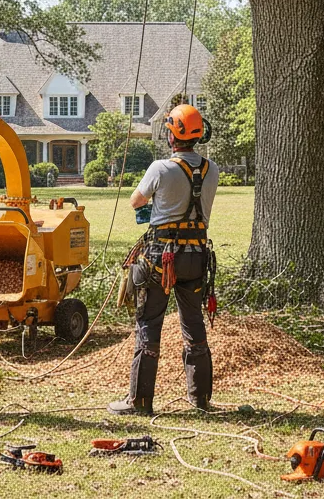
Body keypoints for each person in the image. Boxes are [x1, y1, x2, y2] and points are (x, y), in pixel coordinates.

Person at [108, 102, 219, 415]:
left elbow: (136, 201)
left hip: (162, 257)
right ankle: (200, 400)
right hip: (196, 257)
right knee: (194, 325)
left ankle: (140, 401)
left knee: (148, 323)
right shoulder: (213, 170)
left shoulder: (161, 168)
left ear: (172, 136)